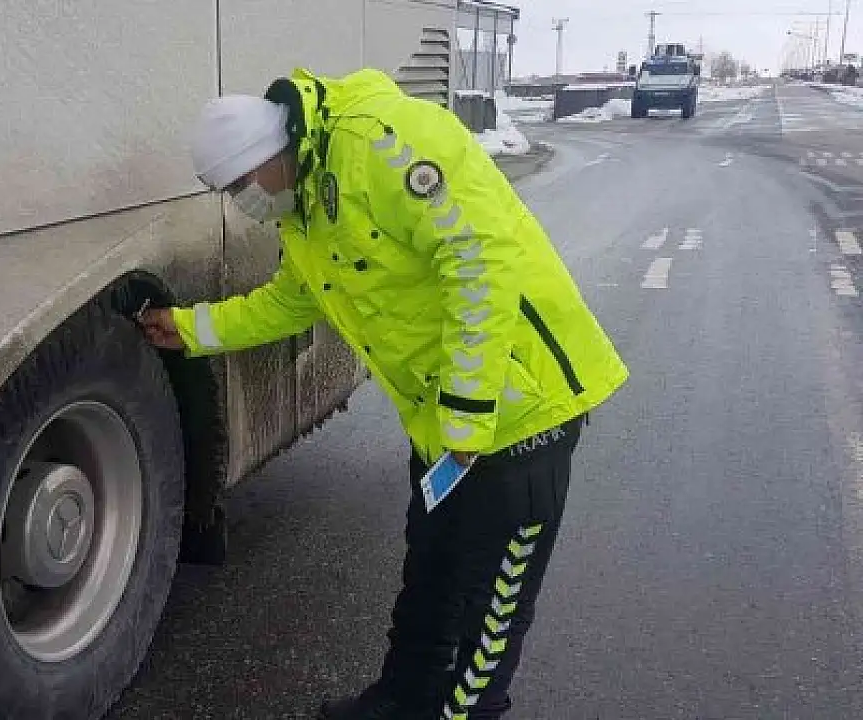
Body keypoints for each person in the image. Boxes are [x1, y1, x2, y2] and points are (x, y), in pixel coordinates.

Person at [140, 67, 629, 720]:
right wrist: (190, 329)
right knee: (431, 576)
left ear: (269, 155)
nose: (241, 202)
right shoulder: (305, 205)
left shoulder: (385, 141)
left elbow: (479, 264)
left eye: (239, 185)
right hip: (443, 426)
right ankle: (404, 701)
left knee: (490, 611)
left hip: (521, 410)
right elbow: (292, 302)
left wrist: (467, 414)